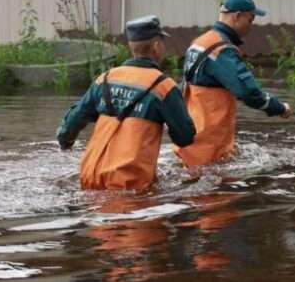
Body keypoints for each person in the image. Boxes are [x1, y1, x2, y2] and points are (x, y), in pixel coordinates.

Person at [57, 15, 196, 192]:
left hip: (89, 176)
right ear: (156, 46)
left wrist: (65, 142)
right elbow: (185, 138)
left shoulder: (105, 78)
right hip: (129, 184)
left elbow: (71, 123)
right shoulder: (164, 87)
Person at [175, 0, 293, 168]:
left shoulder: (199, 43)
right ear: (237, 16)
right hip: (208, 148)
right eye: (250, 19)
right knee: (217, 194)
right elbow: (248, 92)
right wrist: (279, 107)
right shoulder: (222, 50)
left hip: (189, 142)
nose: (251, 26)